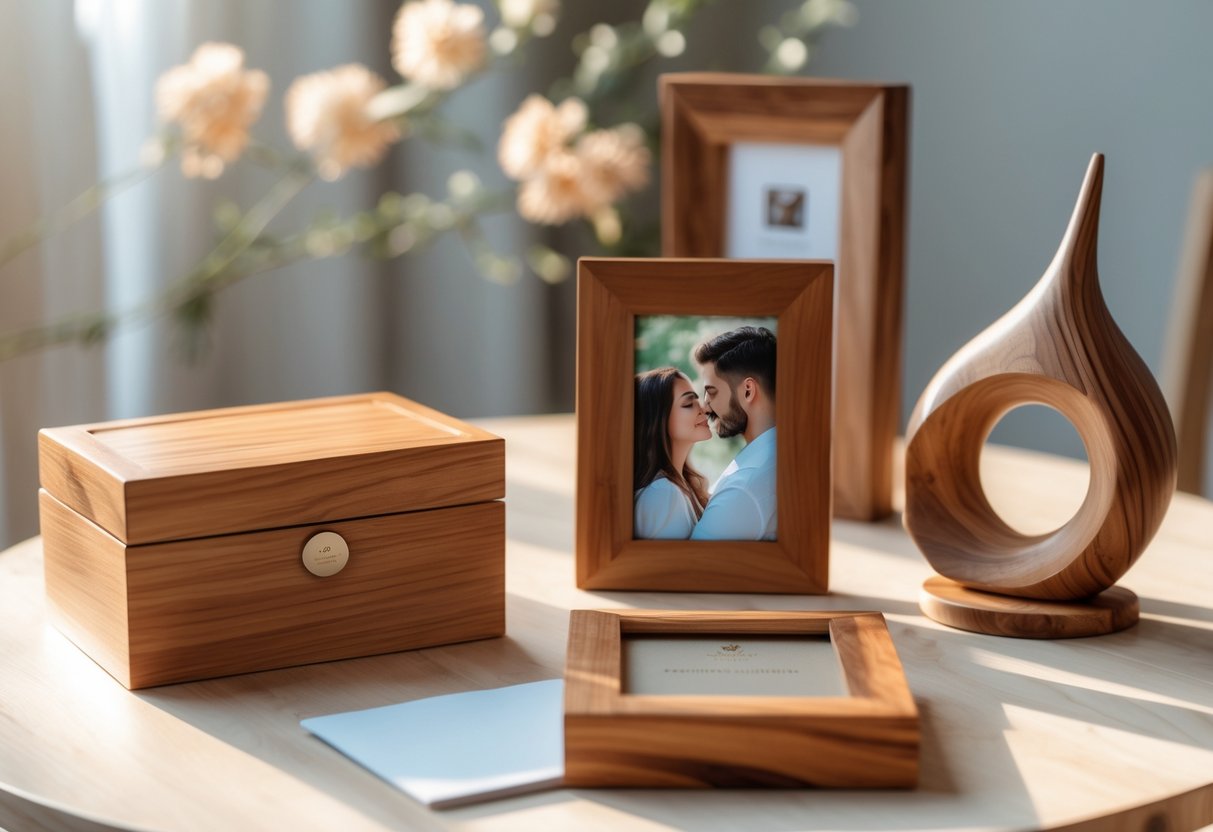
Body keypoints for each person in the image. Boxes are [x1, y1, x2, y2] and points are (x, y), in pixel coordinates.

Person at [690, 326, 777, 540]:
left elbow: (691, 566)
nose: (705, 406)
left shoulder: (743, 486)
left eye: (711, 392)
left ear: (748, 391)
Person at [633, 367, 712, 539]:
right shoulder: (663, 494)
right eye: (688, 404)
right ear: (657, 419)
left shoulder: (681, 485)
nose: (704, 409)